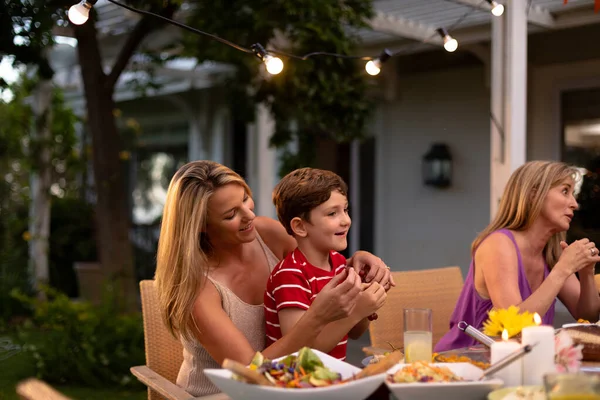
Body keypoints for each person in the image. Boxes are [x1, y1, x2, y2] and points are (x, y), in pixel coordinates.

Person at [154, 160, 393, 396]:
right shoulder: (198, 289)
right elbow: (251, 375)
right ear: (201, 226)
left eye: (246, 199)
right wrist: (322, 315)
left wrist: (357, 261)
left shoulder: (266, 234)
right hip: (220, 395)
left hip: (285, 390)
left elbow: (314, 259)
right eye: (231, 214)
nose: (250, 215)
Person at [435, 161, 600, 352]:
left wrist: (587, 272)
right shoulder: (498, 244)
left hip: (523, 362)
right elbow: (515, 327)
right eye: (565, 191)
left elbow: (588, 316)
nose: (574, 203)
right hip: (468, 363)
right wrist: (563, 270)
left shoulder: (551, 253)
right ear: (533, 195)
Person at [264, 168, 387, 361]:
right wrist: (356, 312)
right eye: (332, 213)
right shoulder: (290, 275)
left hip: (330, 381)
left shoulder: (338, 263)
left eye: (345, 210)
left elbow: (353, 332)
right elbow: (300, 351)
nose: (346, 220)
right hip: (296, 383)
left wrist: (368, 302)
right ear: (300, 226)